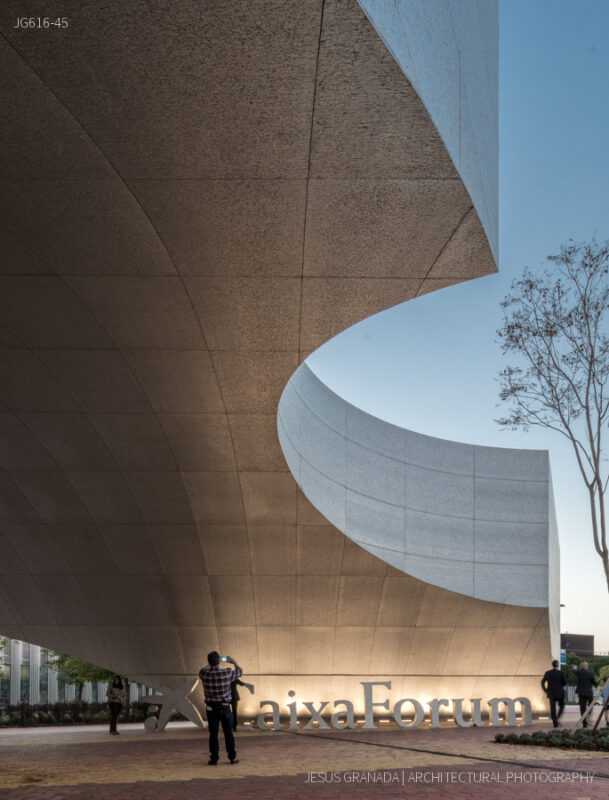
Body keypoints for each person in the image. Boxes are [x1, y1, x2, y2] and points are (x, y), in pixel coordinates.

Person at [199, 652, 242, 765]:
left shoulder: (204, 674)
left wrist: (211, 664)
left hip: (211, 708)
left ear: (209, 662)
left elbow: (203, 669)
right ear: (219, 661)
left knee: (213, 734)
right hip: (225, 707)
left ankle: (214, 759)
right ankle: (232, 758)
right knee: (228, 733)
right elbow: (240, 671)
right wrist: (233, 661)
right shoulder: (227, 673)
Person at [541, 659, 567, 728]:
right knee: (562, 705)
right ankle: (557, 718)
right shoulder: (561, 673)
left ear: (552, 665)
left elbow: (542, 682)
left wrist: (545, 690)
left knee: (553, 708)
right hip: (559, 693)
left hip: (551, 693)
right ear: (558, 665)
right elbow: (565, 683)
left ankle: (555, 722)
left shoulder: (548, 673)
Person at [575, 660, 598, 727]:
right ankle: (588, 716)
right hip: (589, 693)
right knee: (590, 706)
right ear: (586, 666)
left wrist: (574, 668)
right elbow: (594, 683)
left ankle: (584, 723)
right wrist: (597, 683)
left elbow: (574, 671)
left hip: (581, 693)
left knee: (582, 708)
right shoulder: (591, 673)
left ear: (581, 666)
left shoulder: (579, 672)